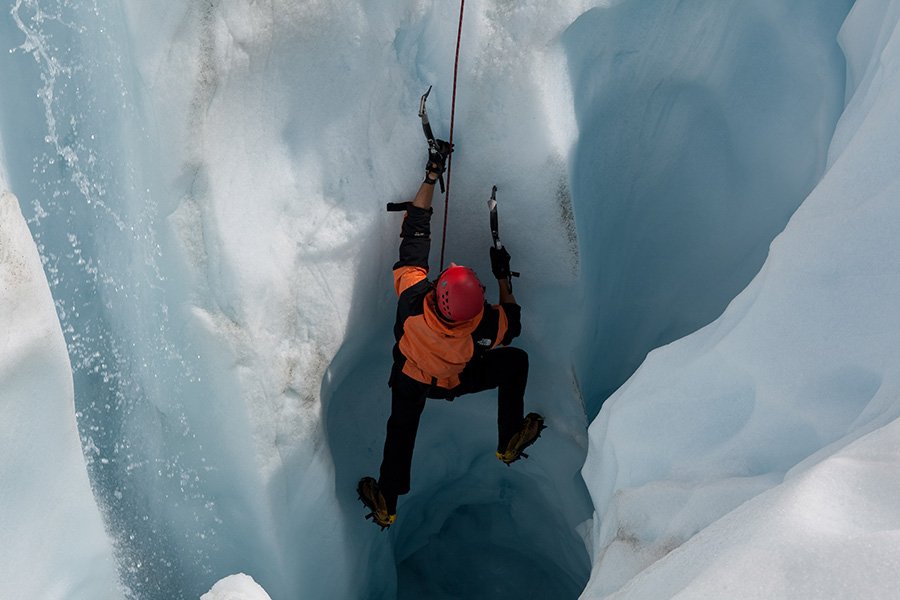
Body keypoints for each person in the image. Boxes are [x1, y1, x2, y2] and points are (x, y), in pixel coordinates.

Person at [358, 140, 544, 530]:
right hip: (454, 380)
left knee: (400, 433)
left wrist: (431, 174)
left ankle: (388, 504)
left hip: (409, 377)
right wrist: (503, 277)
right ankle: (507, 437)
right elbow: (513, 323)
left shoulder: (413, 297)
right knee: (516, 363)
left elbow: (415, 230)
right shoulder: (478, 324)